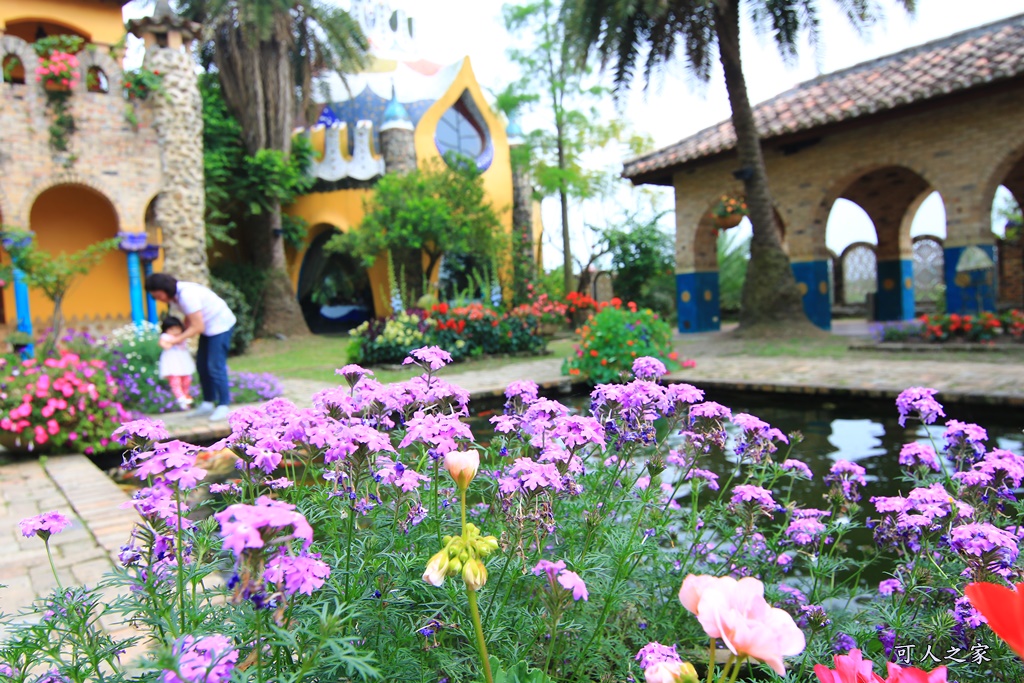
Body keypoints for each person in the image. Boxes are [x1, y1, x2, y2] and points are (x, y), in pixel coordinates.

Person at [145, 272, 236, 421]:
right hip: (208, 328)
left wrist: (175, 340)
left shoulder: (187, 295)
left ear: (164, 289)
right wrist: (182, 331)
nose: (157, 299)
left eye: (157, 295)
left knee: (215, 365)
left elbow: (197, 327)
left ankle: (224, 404)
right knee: (202, 365)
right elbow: (190, 316)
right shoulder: (175, 298)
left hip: (220, 325)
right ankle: (208, 402)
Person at [158, 315, 197, 411]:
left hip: (183, 361)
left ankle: (185, 397)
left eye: (177, 328)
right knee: (175, 381)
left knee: (186, 380)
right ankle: (180, 398)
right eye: (171, 329)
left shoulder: (182, 335)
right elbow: (164, 345)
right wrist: (175, 341)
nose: (175, 331)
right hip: (172, 362)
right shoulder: (165, 337)